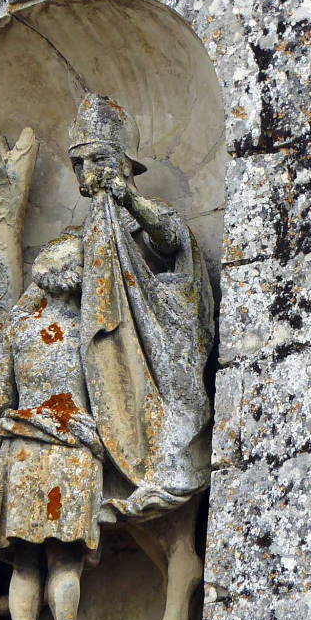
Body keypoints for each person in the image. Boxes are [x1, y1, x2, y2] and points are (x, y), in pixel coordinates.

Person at [68, 94, 214, 521]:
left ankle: (162, 471)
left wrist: (128, 200)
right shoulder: (87, 232)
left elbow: (172, 241)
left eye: (97, 159)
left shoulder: (143, 213)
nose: (86, 172)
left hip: (159, 333)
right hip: (108, 336)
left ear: (125, 164)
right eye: (78, 164)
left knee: (170, 407)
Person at [0, 232, 104, 620]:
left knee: (25, 561)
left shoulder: (18, 331)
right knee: (64, 557)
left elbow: (0, 400)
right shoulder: (89, 332)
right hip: (72, 449)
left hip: (22, 453)